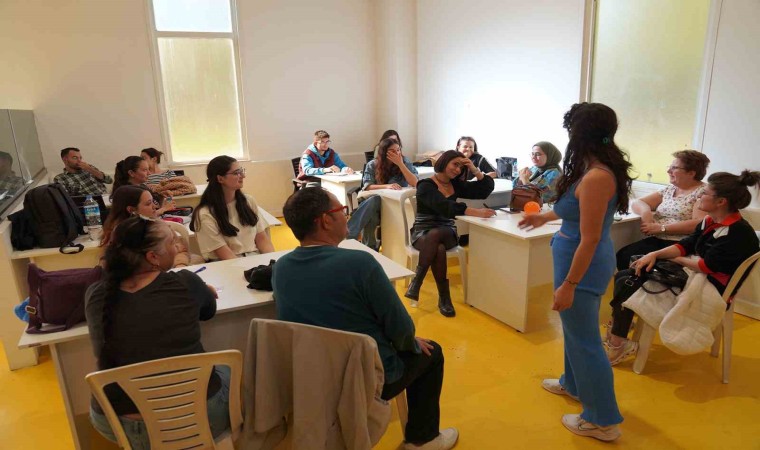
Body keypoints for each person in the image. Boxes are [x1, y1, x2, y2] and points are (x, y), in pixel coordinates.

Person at [273, 187, 458, 450]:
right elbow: (401, 328)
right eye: (342, 210)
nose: (347, 216)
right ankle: (422, 440)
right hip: (364, 379)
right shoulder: (360, 263)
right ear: (325, 220)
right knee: (432, 353)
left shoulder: (281, 268)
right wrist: (410, 343)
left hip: (310, 377)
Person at [519, 102, 632, 441]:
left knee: (585, 341)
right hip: (573, 258)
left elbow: (591, 238)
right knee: (574, 331)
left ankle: (602, 421)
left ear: (580, 133)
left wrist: (569, 284)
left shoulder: (597, 176)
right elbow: (576, 210)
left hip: (582, 266)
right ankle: (573, 383)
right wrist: (544, 217)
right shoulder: (592, 167)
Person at [85, 216, 228, 449]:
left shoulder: (96, 294)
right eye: (172, 242)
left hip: (120, 424)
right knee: (226, 370)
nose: (178, 247)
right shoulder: (187, 283)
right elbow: (207, 311)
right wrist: (201, 288)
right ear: (153, 257)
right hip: (196, 417)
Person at [606, 170, 760, 365]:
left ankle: (618, 340)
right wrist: (654, 254)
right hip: (698, 273)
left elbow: (705, 266)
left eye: (705, 193)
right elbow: (685, 245)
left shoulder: (736, 233)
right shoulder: (710, 221)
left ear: (721, 202)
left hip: (711, 286)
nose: (700, 196)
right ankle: (619, 334)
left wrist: (676, 260)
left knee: (629, 279)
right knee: (627, 274)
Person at [406, 150, 495, 317]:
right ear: (444, 162)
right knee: (438, 247)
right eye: (455, 164)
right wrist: (474, 212)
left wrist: (474, 169)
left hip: (447, 231)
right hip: (422, 232)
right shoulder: (425, 185)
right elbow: (444, 207)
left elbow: (484, 190)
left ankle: (416, 282)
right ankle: (444, 298)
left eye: (461, 167)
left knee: (436, 235)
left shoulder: (456, 184)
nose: (458, 170)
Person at [614, 150, 710, 271]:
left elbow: (699, 223)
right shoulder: (670, 189)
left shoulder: (703, 192)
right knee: (624, 255)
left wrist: (662, 228)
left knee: (642, 265)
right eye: (669, 167)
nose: (668, 171)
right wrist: (646, 214)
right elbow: (638, 202)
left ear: (691, 173)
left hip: (682, 244)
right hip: (659, 239)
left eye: (674, 168)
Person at [191, 155, 274, 261]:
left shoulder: (248, 201)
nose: (243, 175)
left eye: (241, 171)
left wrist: (272, 261)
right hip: (227, 264)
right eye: (236, 173)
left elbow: (262, 239)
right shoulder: (205, 214)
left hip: (253, 259)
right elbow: (225, 255)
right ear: (220, 179)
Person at [100, 185, 200, 268]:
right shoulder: (117, 236)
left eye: (153, 202)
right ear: (131, 210)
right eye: (148, 204)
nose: (155, 207)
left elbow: (180, 250)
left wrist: (180, 265)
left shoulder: (160, 225)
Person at [347, 136, 419, 250]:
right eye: (392, 151)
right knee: (374, 203)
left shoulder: (405, 162)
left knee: (371, 215)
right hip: (376, 204)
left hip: (396, 205)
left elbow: (415, 182)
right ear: (384, 152)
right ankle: (366, 245)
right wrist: (387, 186)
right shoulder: (372, 164)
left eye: (398, 150)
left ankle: (352, 237)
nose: (397, 153)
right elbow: (368, 186)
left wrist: (400, 164)